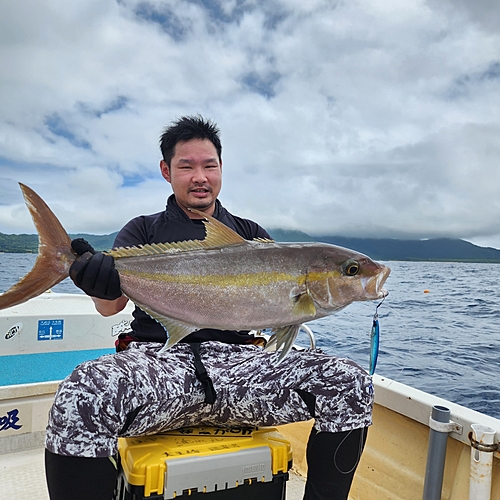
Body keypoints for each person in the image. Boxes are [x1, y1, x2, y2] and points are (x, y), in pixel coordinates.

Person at [44, 115, 374, 500]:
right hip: (160, 365)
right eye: (186, 166)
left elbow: (284, 317)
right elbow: (109, 306)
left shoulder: (252, 236)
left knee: (350, 382)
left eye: (209, 165)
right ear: (167, 171)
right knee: (81, 393)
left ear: (221, 169)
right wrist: (92, 278)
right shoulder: (143, 231)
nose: (199, 176)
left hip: (243, 371)